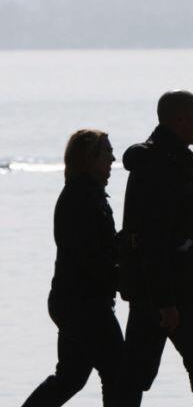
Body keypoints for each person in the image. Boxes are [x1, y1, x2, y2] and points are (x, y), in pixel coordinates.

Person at [117, 90, 193, 407]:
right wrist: (166, 301)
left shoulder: (170, 163)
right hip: (165, 290)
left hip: (160, 289)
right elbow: (153, 239)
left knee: (137, 373)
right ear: (179, 120)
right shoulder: (162, 169)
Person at [22, 130, 122, 407]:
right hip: (84, 304)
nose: (113, 158)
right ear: (89, 159)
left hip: (72, 302)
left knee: (71, 377)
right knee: (118, 372)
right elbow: (91, 256)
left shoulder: (87, 194)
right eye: (107, 152)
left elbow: (98, 249)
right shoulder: (83, 198)